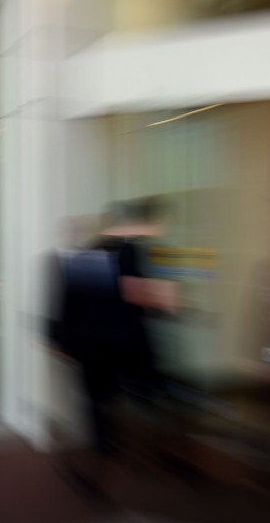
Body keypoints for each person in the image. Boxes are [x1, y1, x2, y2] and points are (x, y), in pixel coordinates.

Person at [50, 198, 173, 497]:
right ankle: (144, 456)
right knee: (143, 398)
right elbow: (138, 296)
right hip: (127, 345)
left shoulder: (79, 257)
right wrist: (165, 302)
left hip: (92, 350)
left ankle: (102, 464)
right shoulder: (129, 253)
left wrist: (63, 342)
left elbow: (69, 304)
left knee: (98, 406)